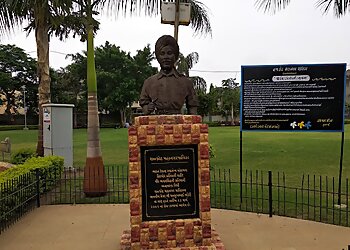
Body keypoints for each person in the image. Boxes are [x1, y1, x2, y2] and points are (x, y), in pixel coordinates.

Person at [139, 35, 198, 115]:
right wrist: (147, 108)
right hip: (157, 123)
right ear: (158, 57)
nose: (166, 57)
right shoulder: (149, 83)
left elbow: (193, 109)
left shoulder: (186, 83)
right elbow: (144, 105)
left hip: (179, 123)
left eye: (169, 53)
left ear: (175, 55)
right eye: (162, 54)